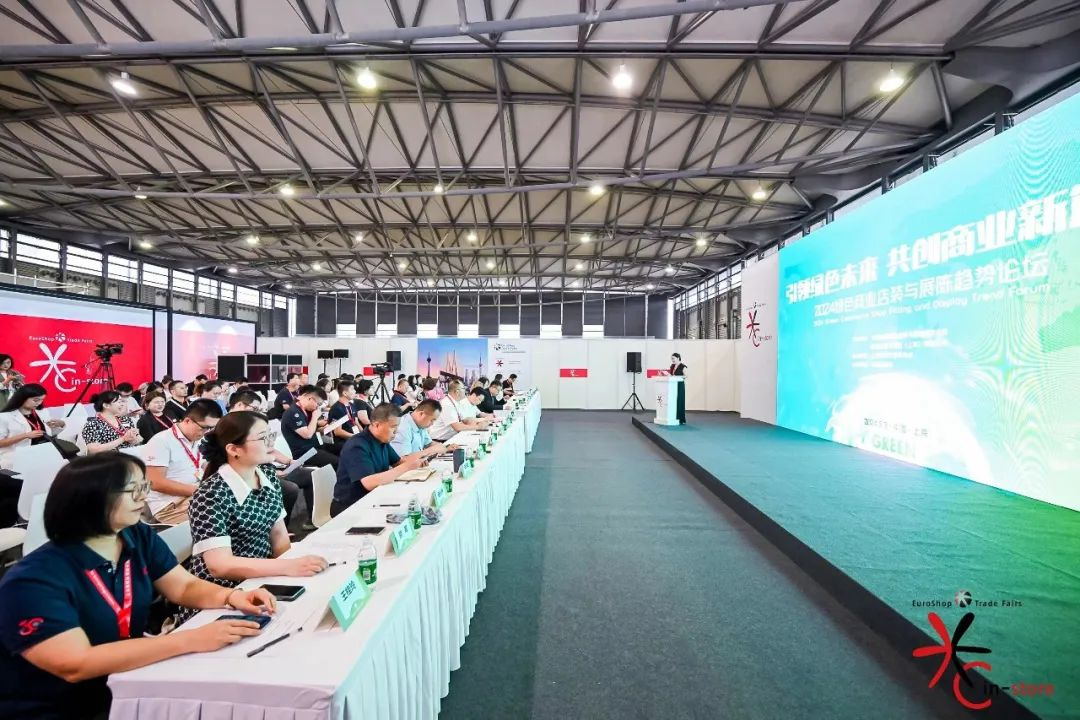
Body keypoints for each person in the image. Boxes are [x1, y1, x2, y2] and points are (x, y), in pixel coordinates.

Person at [0, 453, 275, 720]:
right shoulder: (33, 580)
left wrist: (231, 596)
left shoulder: (135, 534)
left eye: (144, 486)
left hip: (128, 681)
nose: (144, 496)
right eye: (133, 490)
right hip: (61, 706)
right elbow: (75, 663)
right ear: (91, 499)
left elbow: (183, 587)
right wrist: (190, 639)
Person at [182, 412, 328, 622]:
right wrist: (288, 567)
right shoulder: (210, 494)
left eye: (271, 435)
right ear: (234, 449)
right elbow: (219, 566)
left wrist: (292, 574)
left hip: (263, 579)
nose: (271, 443)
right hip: (223, 594)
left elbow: (279, 536)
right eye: (262, 438)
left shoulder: (266, 474)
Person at [227, 391, 311, 530]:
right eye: (255, 408)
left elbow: (269, 449)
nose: (257, 412)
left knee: (308, 475)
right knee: (289, 489)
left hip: (268, 468)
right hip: (251, 473)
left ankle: (310, 519)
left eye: (259, 409)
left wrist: (289, 461)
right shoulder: (227, 428)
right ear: (240, 405)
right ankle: (278, 530)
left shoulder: (252, 423)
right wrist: (271, 473)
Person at [331, 404, 426, 517]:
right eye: (393, 427)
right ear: (377, 425)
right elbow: (369, 483)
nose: (396, 431)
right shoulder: (356, 445)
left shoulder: (382, 440)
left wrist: (417, 464)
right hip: (350, 506)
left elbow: (398, 463)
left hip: (375, 498)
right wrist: (407, 467)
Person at [144, 399, 223, 526]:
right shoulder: (161, 441)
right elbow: (155, 482)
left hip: (193, 495)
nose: (207, 432)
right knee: (223, 512)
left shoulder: (197, 438)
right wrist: (200, 491)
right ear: (187, 421)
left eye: (212, 428)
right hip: (170, 506)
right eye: (205, 427)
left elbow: (202, 464)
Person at [0, 384, 66, 463]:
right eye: (35, 400)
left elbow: (50, 435)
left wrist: (60, 424)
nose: (39, 403)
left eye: (42, 400)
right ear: (23, 398)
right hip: (18, 459)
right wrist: (25, 435)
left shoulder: (42, 412)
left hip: (44, 454)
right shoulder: (4, 416)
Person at [281, 385, 338, 469]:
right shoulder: (293, 412)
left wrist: (328, 427)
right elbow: (307, 434)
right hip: (304, 452)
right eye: (318, 404)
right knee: (337, 462)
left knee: (343, 450)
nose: (317, 407)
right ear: (310, 399)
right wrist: (315, 417)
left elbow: (314, 431)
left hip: (315, 446)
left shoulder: (306, 411)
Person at [669, 352, 687, 424]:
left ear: (678, 358)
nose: (672, 360)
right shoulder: (672, 366)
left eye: (673, 358)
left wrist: (677, 377)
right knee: (673, 401)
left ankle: (680, 419)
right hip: (673, 385)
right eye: (671, 359)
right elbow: (671, 374)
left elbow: (686, 376)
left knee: (679, 401)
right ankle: (673, 417)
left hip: (679, 385)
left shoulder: (682, 366)